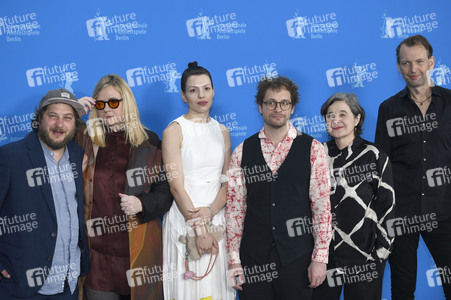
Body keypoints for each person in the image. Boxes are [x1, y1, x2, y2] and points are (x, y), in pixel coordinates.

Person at [226, 76, 332, 299]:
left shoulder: (313, 149)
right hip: (253, 260)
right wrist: (234, 261)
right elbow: (235, 211)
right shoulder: (242, 151)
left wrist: (319, 259)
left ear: (292, 108)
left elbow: (322, 208)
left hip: (298, 258)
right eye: (271, 102)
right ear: (260, 107)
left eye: (284, 103)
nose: (278, 108)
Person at [76, 74, 173, 300]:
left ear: (126, 102)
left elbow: (165, 193)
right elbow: (45, 135)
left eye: (113, 102)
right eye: (100, 104)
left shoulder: (149, 142)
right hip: (97, 259)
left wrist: (142, 203)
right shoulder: (84, 139)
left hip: (138, 256)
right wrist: (73, 112)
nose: (106, 109)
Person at [375, 34, 451, 300]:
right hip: (401, 213)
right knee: (403, 286)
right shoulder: (389, 108)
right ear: (398, 67)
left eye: (419, 61)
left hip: (444, 210)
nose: (413, 68)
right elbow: (381, 165)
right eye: (406, 63)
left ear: (431, 62)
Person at [0, 89, 90, 299]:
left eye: (67, 118)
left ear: (75, 123)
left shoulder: (77, 155)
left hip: (68, 281)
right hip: (22, 283)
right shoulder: (10, 157)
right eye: (53, 116)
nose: (60, 125)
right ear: (39, 118)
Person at [161, 62, 235, 299]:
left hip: (216, 219)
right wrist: (199, 228)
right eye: (193, 90)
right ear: (183, 95)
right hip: (186, 219)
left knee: (216, 289)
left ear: (213, 91)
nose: (201, 95)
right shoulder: (174, 130)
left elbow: (226, 182)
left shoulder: (222, 131)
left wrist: (210, 213)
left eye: (206, 88)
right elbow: (175, 185)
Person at [312, 93, 395, 300]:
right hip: (325, 258)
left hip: (365, 256)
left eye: (343, 114)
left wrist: (379, 255)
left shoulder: (375, 155)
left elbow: (387, 206)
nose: (335, 120)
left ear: (357, 119)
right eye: (330, 116)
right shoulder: (318, 153)